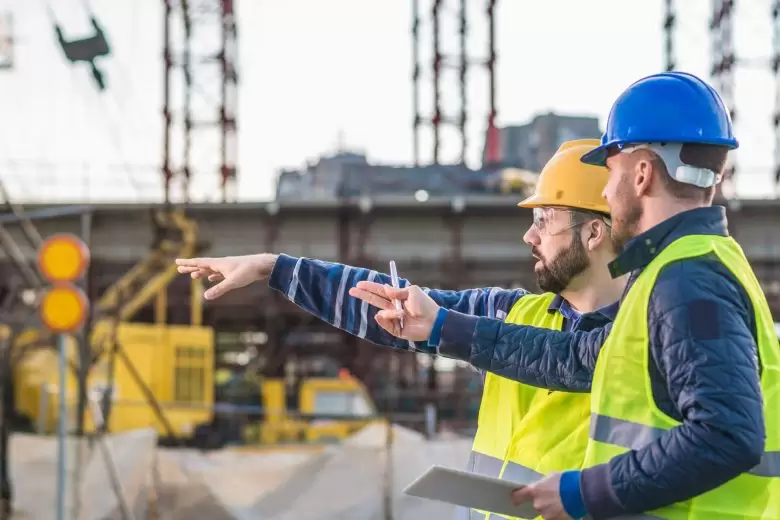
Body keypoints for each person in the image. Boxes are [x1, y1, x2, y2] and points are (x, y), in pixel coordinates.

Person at [354, 71, 780, 520]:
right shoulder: (681, 269)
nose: (604, 191)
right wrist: (443, 326)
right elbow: (575, 356)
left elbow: (727, 435)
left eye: (609, 171)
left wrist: (584, 491)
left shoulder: (688, 279)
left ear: (641, 174)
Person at [176, 139, 626, 520]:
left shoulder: (646, 335)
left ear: (592, 232)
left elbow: (570, 358)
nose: (529, 237)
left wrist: (443, 326)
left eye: (543, 221)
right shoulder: (512, 313)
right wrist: (275, 268)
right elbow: (391, 306)